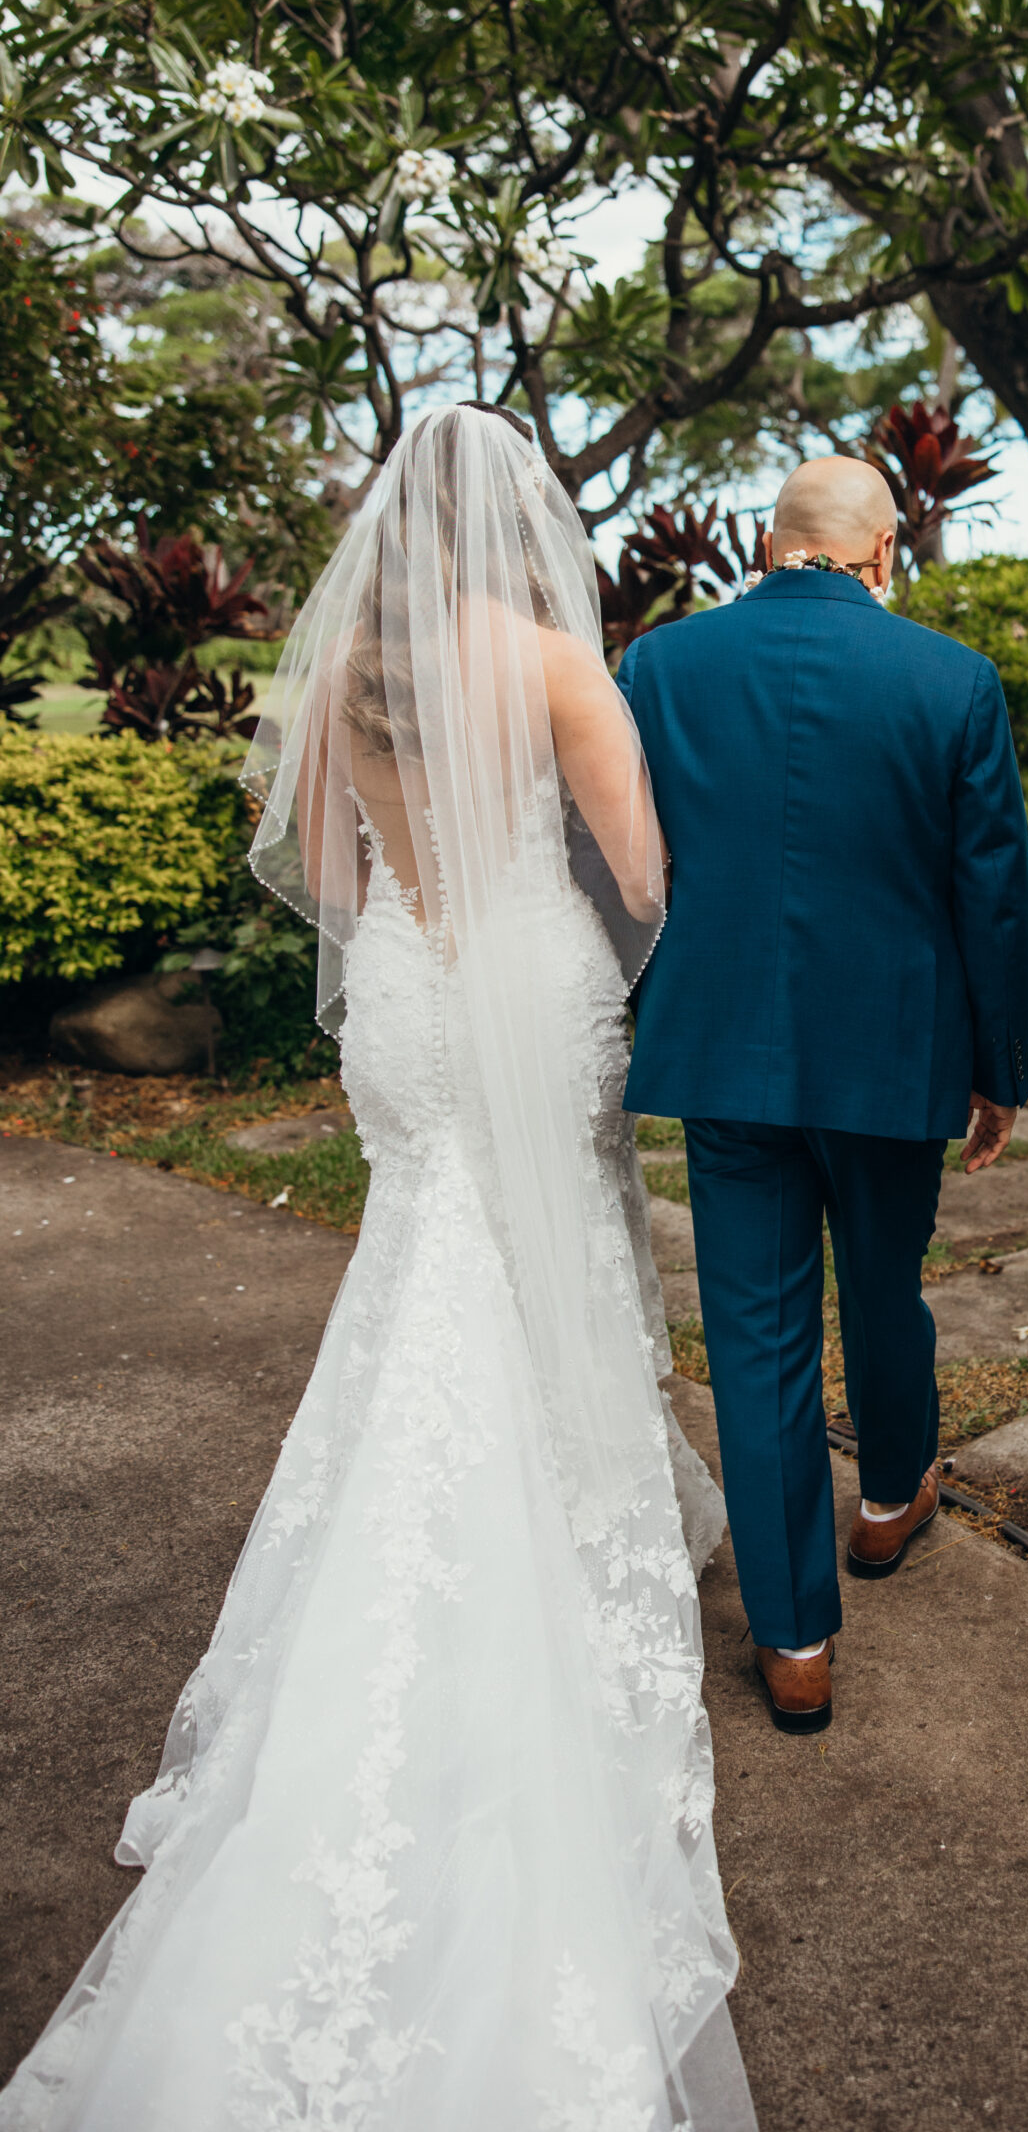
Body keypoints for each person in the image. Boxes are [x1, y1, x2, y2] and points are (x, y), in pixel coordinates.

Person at [0, 406, 756, 2132]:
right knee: (548, 1246)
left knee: (421, 1270)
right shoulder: (561, 665)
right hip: (531, 987)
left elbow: (334, 883)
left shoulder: (346, 667)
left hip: (407, 1004)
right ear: (518, 527)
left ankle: (406, 1548)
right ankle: (559, 1527)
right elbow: (642, 876)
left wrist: (437, 910)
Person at [616, 456, 1028, 1736]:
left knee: (755, 1337)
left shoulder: (661, 669)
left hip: (727, 1045)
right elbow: (993, 892)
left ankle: (794, 1638)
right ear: (883, 552)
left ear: (766, 542)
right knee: (885, 1284)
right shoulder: (949, 679)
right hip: (891, 1052)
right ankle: (892, 1495)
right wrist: (996, 1067)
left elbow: (629, 868)